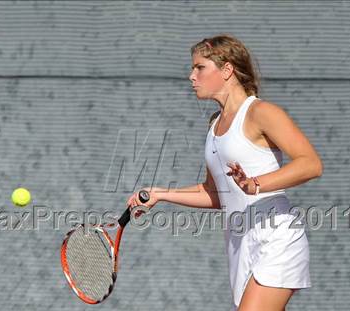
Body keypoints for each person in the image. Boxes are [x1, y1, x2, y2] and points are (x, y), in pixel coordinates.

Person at [126, 34, 323, 311]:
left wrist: (255, 184)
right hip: (240, 244)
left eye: (200, 67)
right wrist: (160, 194)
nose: (191, 76)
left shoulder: (261, 112)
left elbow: (311, 163)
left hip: (277, 237)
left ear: (227, 70)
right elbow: (215, 194)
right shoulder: (214, 127)